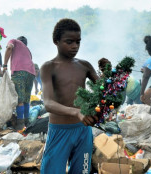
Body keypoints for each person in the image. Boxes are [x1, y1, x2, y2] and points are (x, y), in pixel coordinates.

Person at [40, 18, 99, 174]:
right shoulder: (49, 67)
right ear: (56, 41)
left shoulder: (84, 65)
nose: (75, 46)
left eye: (78, 42)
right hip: (59, 131)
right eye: (69, 42)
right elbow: (48, 103)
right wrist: (76, 112)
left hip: (83, 130)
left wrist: (108, 72)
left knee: (82, 171)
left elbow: (103, 91)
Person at [3, 36, 36, 129]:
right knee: (26, 99)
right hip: (31, 73)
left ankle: (20, 125)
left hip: (19, 72)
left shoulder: (14, 41)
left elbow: (9, 47)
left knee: (19, 99)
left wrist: (5, 65)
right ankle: (27, 122)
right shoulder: (28, 50)